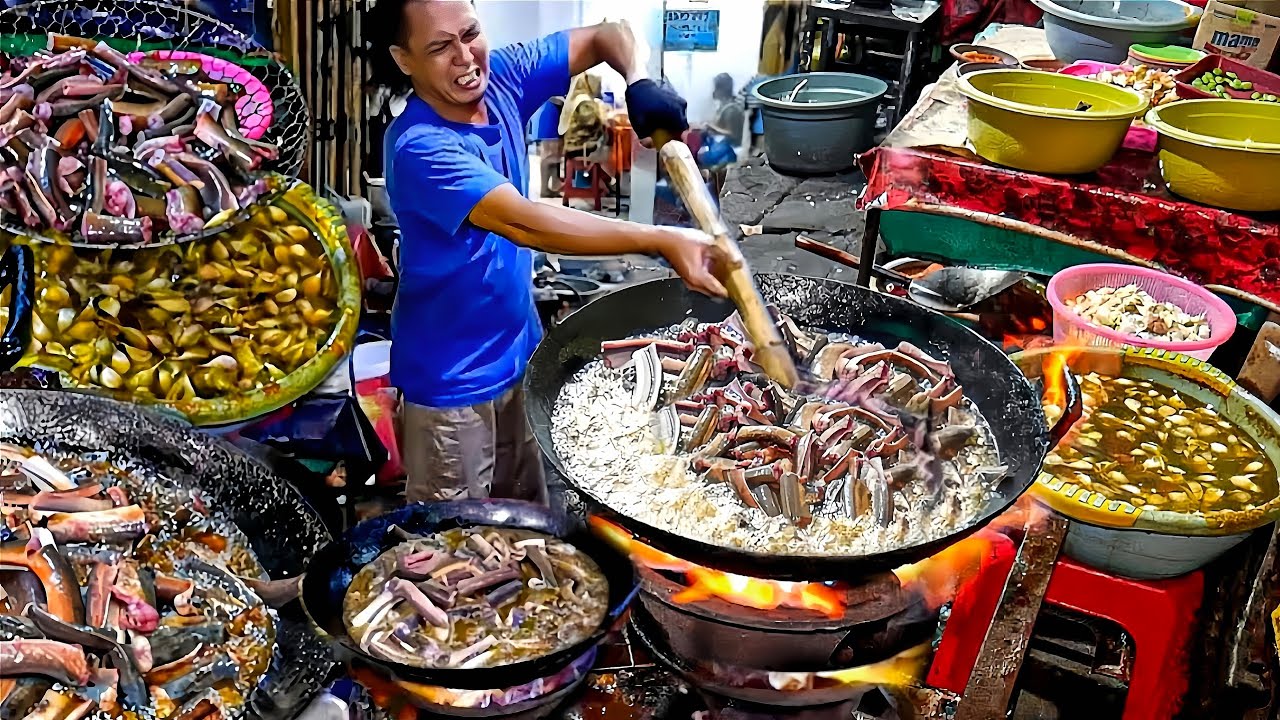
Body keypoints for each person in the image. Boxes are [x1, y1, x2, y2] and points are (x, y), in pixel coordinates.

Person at [368, 0, 728, 505]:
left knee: (529, 528)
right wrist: (662, 239)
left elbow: (610, 34)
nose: (465, 58)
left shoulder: (505, 77)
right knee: (457, 550)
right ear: (404, 59)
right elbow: (525, 222)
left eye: (470, 33)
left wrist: (639, 80)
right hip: (452, 386)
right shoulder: (419, 147)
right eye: (439, 47)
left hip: (521, 355)